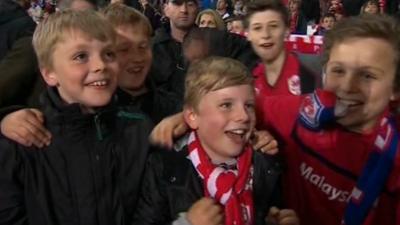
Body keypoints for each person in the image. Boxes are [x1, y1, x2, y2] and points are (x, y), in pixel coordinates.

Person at [151, 14, 400, 225]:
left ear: (395, 89)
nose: (347, 86)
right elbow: (230, 103)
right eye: (338, 70)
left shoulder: (393, 158)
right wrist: (185, 118)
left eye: (368, 75)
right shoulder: (301, 112)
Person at [0, 10, 152, 225]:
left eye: (109, 54)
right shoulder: (21, 142)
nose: (100, 65)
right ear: (49, 73)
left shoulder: (139, 129)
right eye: (81, 56)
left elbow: (152, 209)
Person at [133, 56, 298, 225]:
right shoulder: (164, 168)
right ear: (192, 117)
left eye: (249, 106)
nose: (243, 116)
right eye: (226, 105)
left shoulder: (266, 164)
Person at [244, 0, 320, 121]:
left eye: (273, 26)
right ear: (248, 34)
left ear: (286, 31)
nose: (266, 34)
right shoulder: (248, 81)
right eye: (257, 28)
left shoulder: (313, 71)